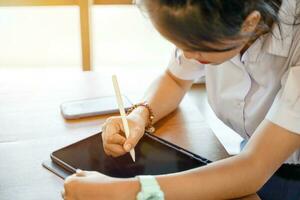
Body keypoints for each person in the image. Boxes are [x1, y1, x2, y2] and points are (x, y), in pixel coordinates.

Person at [62, 0, 300, 199]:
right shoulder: (212, 17)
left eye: (196, 47)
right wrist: (139, 114)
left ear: (250, 22)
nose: (187, 55)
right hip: (252, 156)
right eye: (180, 45)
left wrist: (126, 192)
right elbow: (174, 79)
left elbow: (252, 169)